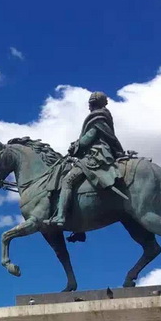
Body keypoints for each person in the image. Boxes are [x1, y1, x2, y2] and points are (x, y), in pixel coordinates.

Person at [49, 90, 129, 229]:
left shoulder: (96, 118)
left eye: (90, 103)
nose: (89, 106)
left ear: (93, 104)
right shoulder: (104, 116)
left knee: (67, 180)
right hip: (99, 152)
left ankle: (61, 216)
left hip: (96, 154)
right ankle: (78, 228)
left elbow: (88, 139)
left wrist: (75, 146)